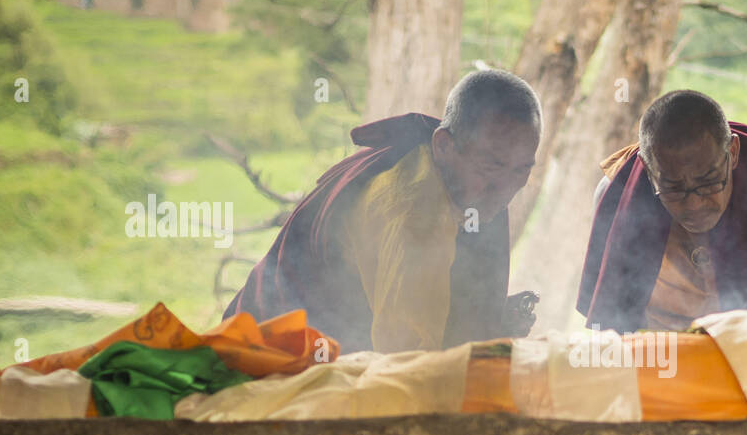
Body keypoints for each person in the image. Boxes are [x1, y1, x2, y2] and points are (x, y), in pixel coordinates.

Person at [223, 69, 542, 352]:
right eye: (491, 166)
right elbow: (409, 370)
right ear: (443, 145)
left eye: (521, 171)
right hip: (261, 364)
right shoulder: (413, 216)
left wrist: (490, 320)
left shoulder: (461, 178)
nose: (504, 191)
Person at [576, 89, 747, 332]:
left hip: (739, 345)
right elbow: (612, 326)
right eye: (673, 188)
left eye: (708, 182)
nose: (693, 205)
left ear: (733, 152)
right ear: (648, 169)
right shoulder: (620, 192)